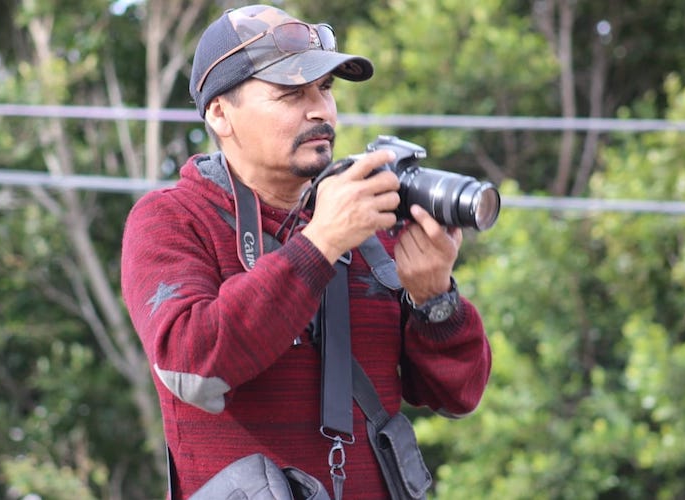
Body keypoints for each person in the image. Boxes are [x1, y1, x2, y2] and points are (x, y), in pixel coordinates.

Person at [121, 4, 491, 498]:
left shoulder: (365, 220)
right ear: (219, 114)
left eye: (326, 89)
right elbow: (194, 366)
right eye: (291, 93)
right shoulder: (170, 219)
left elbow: (458, 394)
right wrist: (322, 244)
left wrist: (435, 298)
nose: (320, 109)